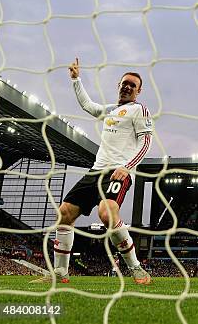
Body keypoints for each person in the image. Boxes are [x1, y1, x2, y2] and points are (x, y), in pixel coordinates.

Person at [31, 58, 153, 284]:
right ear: (119, 85)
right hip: (95, 171)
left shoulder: (139, 110)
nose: (127, 86)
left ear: (138, 91)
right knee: (64, 213)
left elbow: (145, 143)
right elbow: (88, 105)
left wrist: (127, 168)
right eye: (124, 83)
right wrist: (76, 79)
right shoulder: (110, 110)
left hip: (117, 172)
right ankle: (60, 273)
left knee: (106, 214)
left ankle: (136, 268)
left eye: (132, 85)